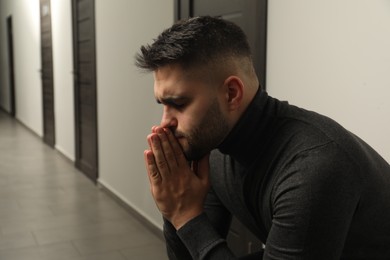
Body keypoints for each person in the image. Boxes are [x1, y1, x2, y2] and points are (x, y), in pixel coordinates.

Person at [135, 16, 390, 259]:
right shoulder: (212, 147)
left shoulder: (313, 168)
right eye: (162, 104)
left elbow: (193, 228)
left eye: (179, 103)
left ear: (231, 94)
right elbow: (193, 251)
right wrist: (173, 204)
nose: (164, 123)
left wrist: (184, 215)